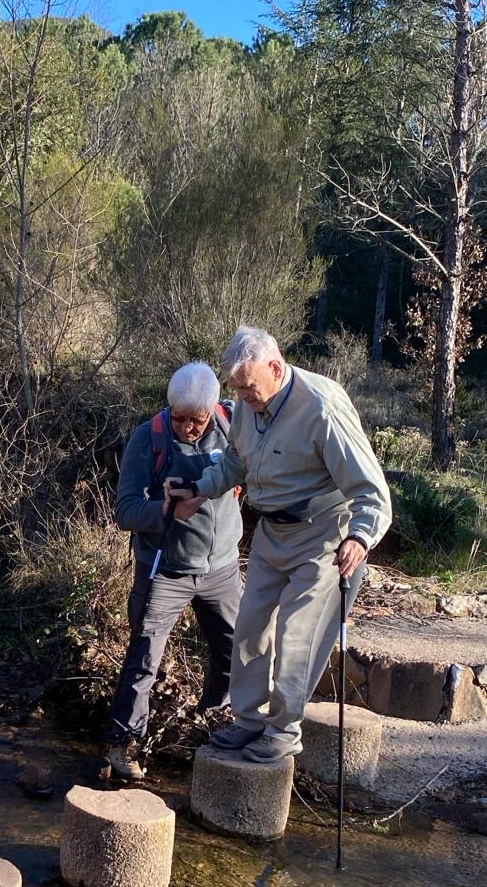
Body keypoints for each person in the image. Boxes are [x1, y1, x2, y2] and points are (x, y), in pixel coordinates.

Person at [166, 326, 391, 764]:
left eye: (248, 388)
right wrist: (200, 489)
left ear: (275, 366)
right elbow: (236, 461)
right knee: (249, 628)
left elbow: (371, 489)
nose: (242, 398)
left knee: (297, 636)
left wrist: (360, 536)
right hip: (271, 532)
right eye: (237, 390)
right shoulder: (247, 406)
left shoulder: (321, 407)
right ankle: (248, 721)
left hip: (323, 534)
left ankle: (284, 732)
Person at [104, 361, 243, 781]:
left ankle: (213, 724)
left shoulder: (234, 423)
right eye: (179, 419)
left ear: (212, 410)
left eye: (196, 421)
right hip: (164, 569)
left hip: (221, 568)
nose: (187, 428)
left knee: (233, 652)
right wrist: (165, 511)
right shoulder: (149, 439)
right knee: (144, 658)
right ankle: (124, 745)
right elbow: (125, 509)